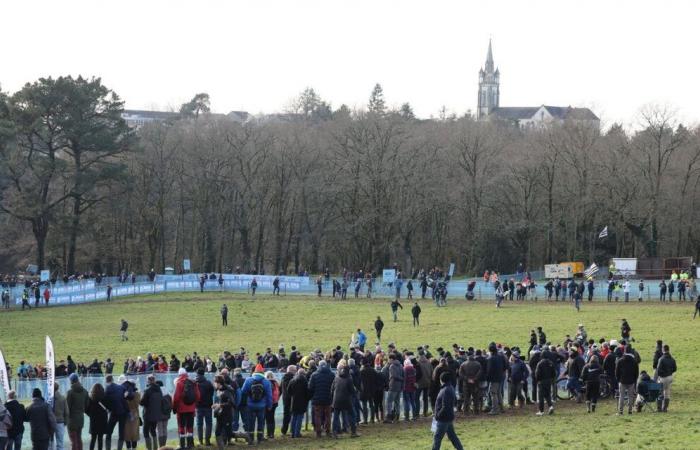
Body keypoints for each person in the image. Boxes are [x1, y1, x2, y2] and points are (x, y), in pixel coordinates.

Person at [431, 372, 464, 450]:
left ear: (441, 380)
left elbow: (445, 406)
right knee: (452, 436)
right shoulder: (450, 387)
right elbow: (454, 402)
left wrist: (438, 415)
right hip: (448, 417)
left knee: (437, 437)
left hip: (443, 418)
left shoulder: (446, 390)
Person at [240, 365, 272, 445]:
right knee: (261, 422)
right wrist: (269, 405)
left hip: (250, 405)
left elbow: (243, 392)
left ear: (254, 372)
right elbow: (269, 395)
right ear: (262, 372)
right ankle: (260, 439)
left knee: (251, 423)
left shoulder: (248, 380)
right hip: (262, 405)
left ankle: (250, 440)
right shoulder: (266, 381)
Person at [173, 367, 200, 449]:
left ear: (179, 374)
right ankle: (190, 444)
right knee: (190, 426)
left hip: (181, 409)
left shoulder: (179, 383)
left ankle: (182, 445)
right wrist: (194, 404)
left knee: (181, 426)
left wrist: (174, 407)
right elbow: (198, 396)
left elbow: (176, 397)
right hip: (191, 409)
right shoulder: (193, 382)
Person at [330, 363, 359, 439]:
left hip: (336, 400)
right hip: (346, 400)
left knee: (335, 417)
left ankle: (334, 433)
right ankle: (353, 432)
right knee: (351, 415)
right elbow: (352, 391)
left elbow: (332, 389)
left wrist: (332, 398)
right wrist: (355, 393)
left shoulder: (336, 377)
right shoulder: (349, 379)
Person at [308, 360, 334, 437]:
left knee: (317, 416)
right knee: (328, 415)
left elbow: (310, 387)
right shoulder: (331, 374)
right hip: (328, 398)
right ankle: (328, 431)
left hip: (317, 399)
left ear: (318, 365)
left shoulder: (314, 375)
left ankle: (318, 432)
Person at [66, 373, 90, 450]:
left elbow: (67, 408)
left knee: (73, 440)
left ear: (71, 381)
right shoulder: (85, 391)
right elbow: (87, 405)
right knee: (79, 439)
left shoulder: (70, 393)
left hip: (72, 419)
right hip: (81, 418)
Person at [212, 375, 235, 450]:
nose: (214, 384)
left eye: (215, 382)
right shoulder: (218, 390)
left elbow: (231, 403)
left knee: (229, 433)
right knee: (217, 432)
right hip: (219, 414)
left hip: (227, 415)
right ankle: (221, 448)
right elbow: (219, 400)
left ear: (218, 383)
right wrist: (215, 405)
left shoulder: (227, 391)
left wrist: (220, 405)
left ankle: (245, 435)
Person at [140, 375, 163, 450]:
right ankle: (155, 447)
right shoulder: (159, 389)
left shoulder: (147, 390)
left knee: (145, 431)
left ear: (149, 381)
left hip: (148, 414)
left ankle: (149, 448)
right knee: (153, 430)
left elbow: (142, 402)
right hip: (156, 413)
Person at [615, 346, 639, 415]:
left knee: (621, 396)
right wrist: (634, 380)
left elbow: (617, 372)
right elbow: (636, 372)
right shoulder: (634, 361)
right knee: (630, 396)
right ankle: (630, 410)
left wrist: (618, 379)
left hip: (622, 380)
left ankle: (620, 411)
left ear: (625, 351)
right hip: (631, 381)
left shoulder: (620, 360)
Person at [287, 368, 310, 438]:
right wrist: (307, 398)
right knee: (300, 417)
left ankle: (293, 433)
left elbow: (288, 390)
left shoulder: (292, 380)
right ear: (303, 374)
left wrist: (293, 395)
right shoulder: (305, 381)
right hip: (302, 401)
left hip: (294, 401)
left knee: (294, 417)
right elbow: (307, 392)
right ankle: (297, 433)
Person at [654, 344, 677, 412]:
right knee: (667, 393)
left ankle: (659, 408)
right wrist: (670, 372)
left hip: (663, 378)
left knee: (659, 393)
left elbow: (658, 370)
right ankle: (665, 408)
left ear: (663, 350)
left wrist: (660, 376)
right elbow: (675, 369)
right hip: (670, 377)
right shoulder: (672, 359)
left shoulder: (661, 359)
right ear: (668, 350)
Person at [86, 383, 108, 450]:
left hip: (94, 420)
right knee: (100, 439)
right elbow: (108, 407)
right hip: (102, 419)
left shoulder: (91, 398)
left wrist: (90, 415)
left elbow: (86, 409)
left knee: (93, 438)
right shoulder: (104, 397)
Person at [534, 349, 556, 416]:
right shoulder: (550, 362)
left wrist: (537, 380)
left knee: (541, 396)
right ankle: (551, 406)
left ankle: (541, 411)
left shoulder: (540, 363)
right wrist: (551, 379)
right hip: (549, 381)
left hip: (542, 381)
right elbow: (554, 373)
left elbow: (537, 373)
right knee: (547, 395)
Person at [384, 354, 404, 422]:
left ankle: (389, 417)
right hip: (399, 386)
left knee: (389, 402)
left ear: (391, 359)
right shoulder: (401, 365)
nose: (388, 361)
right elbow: (403, 375)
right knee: (397, 402)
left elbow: (394, 376)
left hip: (393, 386)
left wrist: (400, 378)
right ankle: (397, 416)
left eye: (389, 359)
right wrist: (402, 380)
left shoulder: (392, 366)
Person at [123, 382, 140, 450]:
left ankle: (128, 448)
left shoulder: (125, 395)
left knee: (127, 433)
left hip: (126, 413)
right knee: (134, 433)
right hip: (135, 414)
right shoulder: (137, 394)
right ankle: (134, 448)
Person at [53, 382, 69, 450]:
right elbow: (67, 412)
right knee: (60, 443)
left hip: (51, 422)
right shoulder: (63, 398)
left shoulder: (49, 398)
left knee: (50, 442)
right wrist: (65, 422)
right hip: (60, 422)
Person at [264, 371, 280, 439]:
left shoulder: (267, 383)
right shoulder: (276, 382)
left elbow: (268, 395)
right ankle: (272, 434)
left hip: (269, 402)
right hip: (275, 402)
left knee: (268, 419)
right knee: (272, 418)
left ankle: (269, 434)